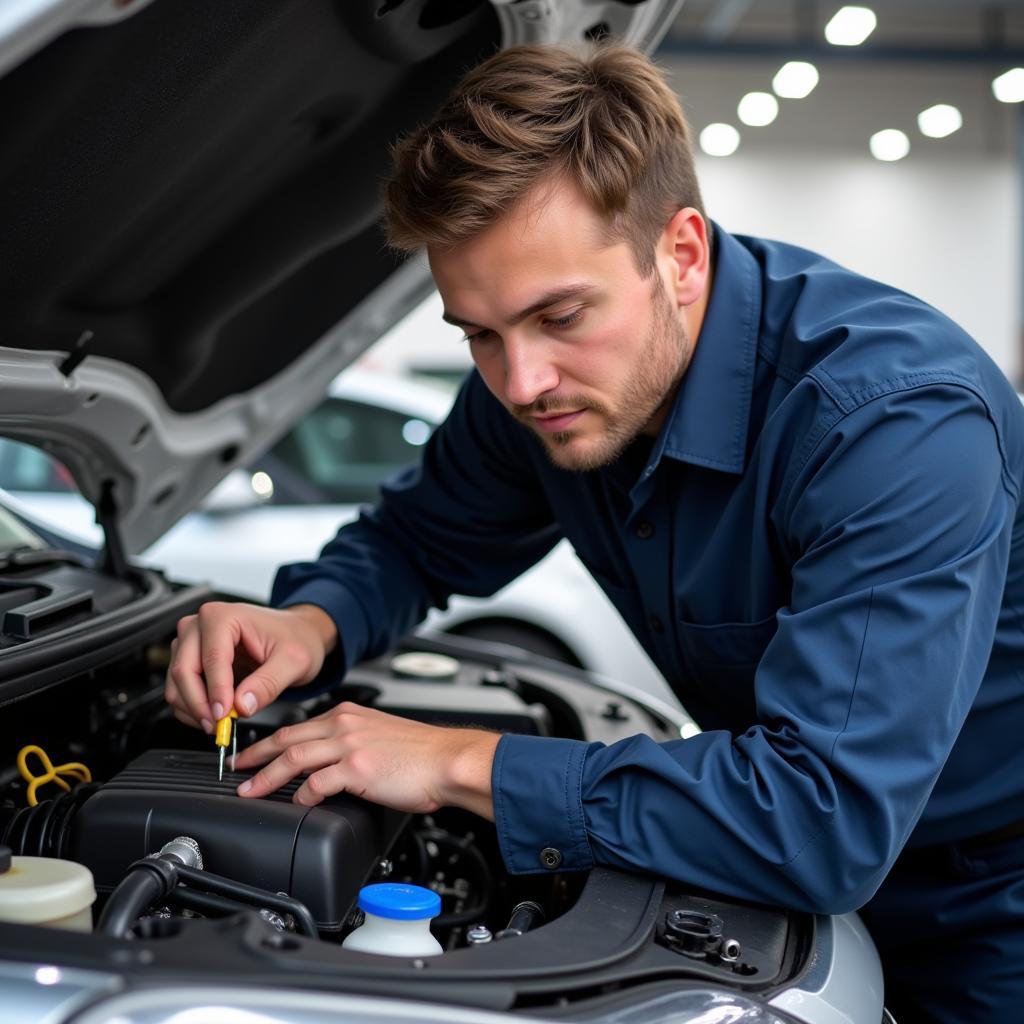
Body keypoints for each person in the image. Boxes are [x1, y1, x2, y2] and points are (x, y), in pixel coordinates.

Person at [164, 45, 1024, 1021]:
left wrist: (456, 760)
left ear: (682, 255)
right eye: (478, 334)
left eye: (559, 314)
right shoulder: (545, 392)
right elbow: (416, 537)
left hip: (987, 899)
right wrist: (314, 621)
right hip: (766, 862)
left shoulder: (892, 426)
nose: (521, 381)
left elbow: (823, 815)